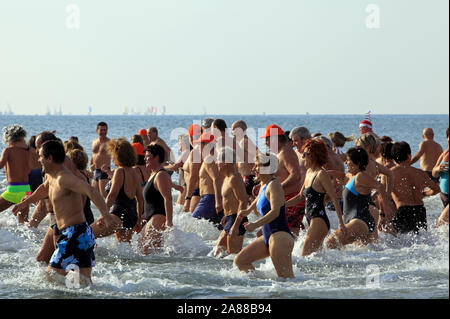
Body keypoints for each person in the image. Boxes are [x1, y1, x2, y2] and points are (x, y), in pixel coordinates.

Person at [12, 140, 118, 285]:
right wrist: (24, 203)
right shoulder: (51, 176)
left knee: (48, 279)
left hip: (73, 235)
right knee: (83, 283)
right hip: (80, 234)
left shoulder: (64, 178)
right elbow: (44, 188)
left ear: (50, 158)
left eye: (41, 156)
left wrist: (106, 216)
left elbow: (91, 190)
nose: (39, 160)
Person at [233, 152, 295, 278]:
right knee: (240, 261)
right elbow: (261, 198)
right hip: (269, 236)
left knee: (287, 281)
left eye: (257, 166)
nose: (253, 169)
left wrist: (255, 224)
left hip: (280, 237)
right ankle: (262, 288)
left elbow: (275, 211)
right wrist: (248, 210)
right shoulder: (264, 184)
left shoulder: (274, 185)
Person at [286, 139, 346, 256]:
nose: (303, 157)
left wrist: (341, 223)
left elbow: (334, 198)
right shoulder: (309, 172)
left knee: (303, 257)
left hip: (319, 220)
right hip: (310, 219)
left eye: (305, 154)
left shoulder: (321, 174)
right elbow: (300, 197)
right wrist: (281, 205)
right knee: (314, 258)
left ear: (314, 156)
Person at [326, 147, 392, 249]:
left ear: (358, 163)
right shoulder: (350, 176)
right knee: (364, 254)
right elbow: (341, 176)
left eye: (349, 160)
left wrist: (386, 209)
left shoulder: (360, 176)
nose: (346, 162)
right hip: (356, 221)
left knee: (330, 243)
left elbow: (380, 186)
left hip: (360, 220)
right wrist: (324, 173)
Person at [90, 138, 144, 243]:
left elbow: (112, 196)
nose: (111, 158)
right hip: (131, 215)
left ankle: (88, 258)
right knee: (124, 250)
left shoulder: (120, 171)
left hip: (119, 214)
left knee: (87, 234)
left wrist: (103, 216)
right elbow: (140, 198)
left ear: (118, 155)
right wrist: (138, 218)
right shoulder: (133, 172)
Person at [384, 142, 441, 235]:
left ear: (393, 158)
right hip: (420, 210)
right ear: (409, 155)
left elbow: (384, 193)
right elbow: (436, 189)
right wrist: (424, 194)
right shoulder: (419, 173)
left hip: (403, 210)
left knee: (402, 243)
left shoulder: (390, 174)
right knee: (421, 240)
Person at [262, 124, 304, 236]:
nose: (266, 143)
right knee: (288, 234)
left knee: (275, 232)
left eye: (267, 140)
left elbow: (296, 175)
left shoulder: (286, 152)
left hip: (291, 199)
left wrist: (277, 188)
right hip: (288, 199)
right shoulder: (281, 153)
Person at [138, 144, 174, 254]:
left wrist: (169, 222)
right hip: (151, 218)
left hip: (158, 218)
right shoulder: (153, 174)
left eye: (147, 156)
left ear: (156, 158)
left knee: (146, 252)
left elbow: (168, 199)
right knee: (145, 251)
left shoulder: (161, 175)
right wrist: (142, 216)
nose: (144, 158)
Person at [213, 147, 249, 257]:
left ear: (226, 162)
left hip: (236, 220)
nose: (216, 162)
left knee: (234, 259)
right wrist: (225, 215)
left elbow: (243, 201)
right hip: (229, 219)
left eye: (218, 160)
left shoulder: (235, 178)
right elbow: (230, 200)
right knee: (217, 254)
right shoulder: (226, 178)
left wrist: (236, 225)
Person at [191, 132, 224, 229]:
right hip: (213, 198)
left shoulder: (209, 159)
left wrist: (218, 201)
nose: (199, 147)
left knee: (193, 227)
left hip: (209, 199)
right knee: (218, 230)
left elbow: (216, 179)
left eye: (200, 144)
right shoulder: (216, 158)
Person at [0, 124, 31, 223]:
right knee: (23, 223)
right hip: (26, 190)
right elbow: (28, 169)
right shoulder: (28, 151)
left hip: (13, 190)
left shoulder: (8, 150)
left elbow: (0, 165)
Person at [231, 120, 260, 201]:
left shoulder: (245, 142)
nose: (231, 132)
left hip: (250, 177)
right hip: (245, 176)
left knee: (251, 201)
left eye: (233, 129)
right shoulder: (241, 142)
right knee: (247, 201)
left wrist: (257, 172)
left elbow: (259, 156)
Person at [183, 124, 203, 213]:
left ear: (191, 137)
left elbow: (193, 176)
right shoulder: (204, 149)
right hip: (198, 191)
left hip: (197, 192)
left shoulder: (196, 152)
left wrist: (188, 198)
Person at [90, 122, 111, 198]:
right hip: (96, 171)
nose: (103, 132)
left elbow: (116, 155)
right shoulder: (94, 141)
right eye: (101, 130)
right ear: (97, 130)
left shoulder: (109, 142)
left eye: (105, 130)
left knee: (106, 199)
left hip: (104, 172)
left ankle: (109, 210)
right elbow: (93, 154)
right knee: (94, 198)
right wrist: (90, 165)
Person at [432, 128, 449, 208]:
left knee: (441, 220)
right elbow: (434, 174)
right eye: (448, 136)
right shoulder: (444, 154)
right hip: (444, 194)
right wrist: (438, 168)